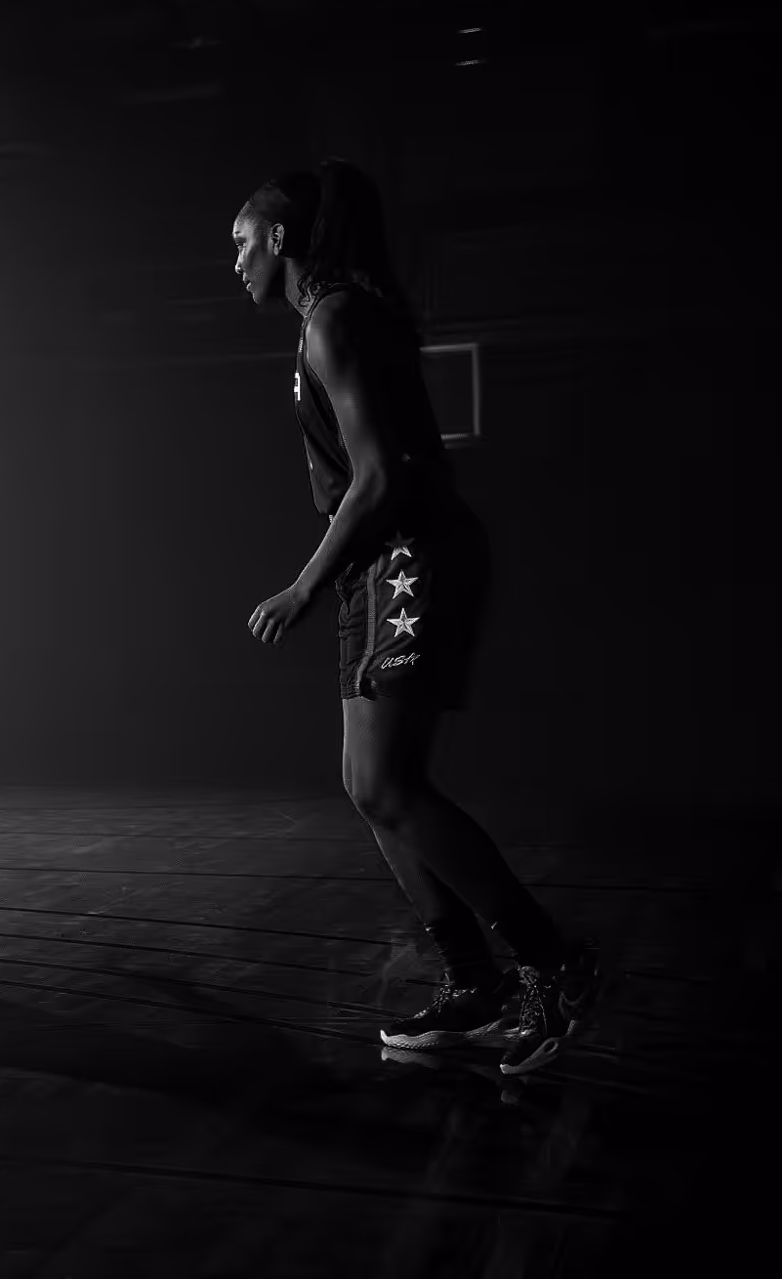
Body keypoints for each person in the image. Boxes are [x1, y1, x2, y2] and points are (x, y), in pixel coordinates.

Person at [232, 161, 600, 1076]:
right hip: (379, 560)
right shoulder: (326, 318)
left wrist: (303, 586)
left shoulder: (334, 316)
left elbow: (380, 476)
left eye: (240, 243)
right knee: (368, 786)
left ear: (279, 237)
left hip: (408, 553)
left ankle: (556, 964)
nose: (234, 263)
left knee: (388, 784)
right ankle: (475, 981)